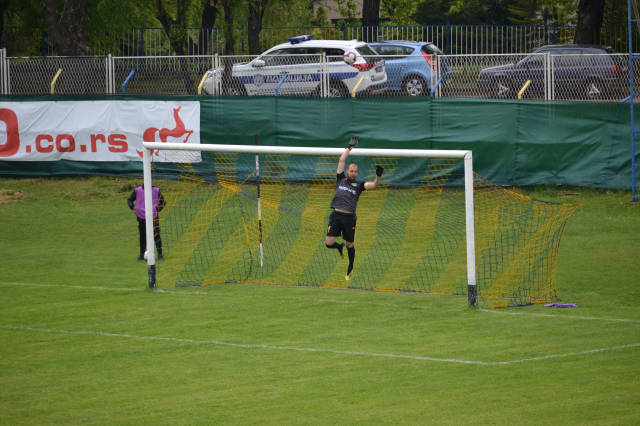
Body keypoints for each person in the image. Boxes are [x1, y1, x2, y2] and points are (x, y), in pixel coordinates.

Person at [325, 136, 384, 281]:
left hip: (349, 218)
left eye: (355, 171)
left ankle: (350, 266)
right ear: (347, 171)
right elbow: (341, 160)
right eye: (351, 171)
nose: (353, 173)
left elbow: (374, 186)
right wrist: (350, 146)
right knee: (329, 243)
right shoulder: (340, 180)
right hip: (336, 215)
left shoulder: (359, 185)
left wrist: (378, 176)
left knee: (350, 244)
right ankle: (339, 247)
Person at [127, 178, 165, 261]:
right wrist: (132, 207)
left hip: (153, 217)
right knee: (143, 236)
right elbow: (129, 199)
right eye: (145, 179)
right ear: (142, 180)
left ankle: (160, 255)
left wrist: (157, 209)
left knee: (156, 235)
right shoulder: (137, 190)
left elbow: (163, 202)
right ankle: (141, 254)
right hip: (141, 216)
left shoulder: (156, 190)